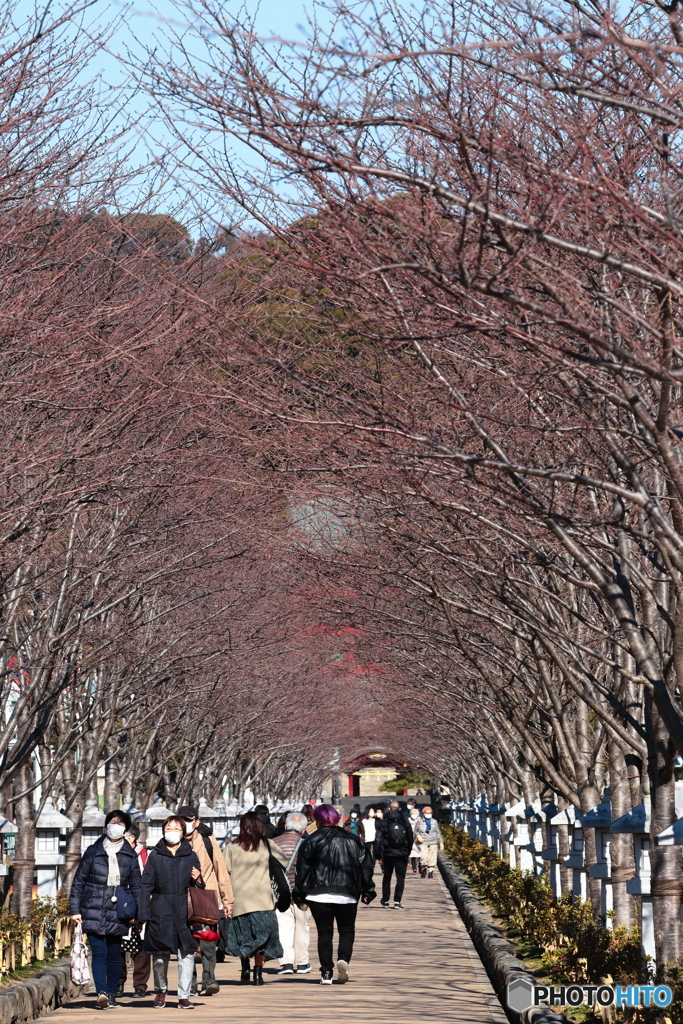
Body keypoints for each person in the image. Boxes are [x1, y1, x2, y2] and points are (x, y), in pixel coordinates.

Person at [294, 804, 376, 985]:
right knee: (346, 930)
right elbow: (366, 866)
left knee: (324, 933)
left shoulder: (310, 841)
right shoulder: (353, 840)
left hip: (317, 893)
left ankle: (326, 973)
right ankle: (344, 959)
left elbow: (302, 871)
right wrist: (368, 890)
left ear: (317, 820)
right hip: (347, 892)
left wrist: (299, 893)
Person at [70, 810, 141, 1010]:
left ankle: (111, 992)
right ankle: (101, 992)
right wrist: (75, 909)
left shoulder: (129, 855)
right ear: (106, 825)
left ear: (126, 828)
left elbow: (137, 887)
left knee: (114, 954)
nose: (115, 825)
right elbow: (79, 882)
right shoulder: (93, 851)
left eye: (119, 823)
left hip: (118, 911)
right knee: (99, 953)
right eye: (112, 822)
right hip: (92, 909)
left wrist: (135, 913)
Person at [138, 815, 205, 1009]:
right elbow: (145, 886)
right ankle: (160, 990)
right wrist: (143, 914)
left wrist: (199, 879)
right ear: (163, 830)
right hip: (160, 909)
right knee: (159, 956)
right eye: (169, 827)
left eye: (176, 828)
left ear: (183, 832)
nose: (172, 832)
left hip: (185, 911)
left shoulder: (190, 855)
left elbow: (199, 888)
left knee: (187, 955)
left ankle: (183, 995)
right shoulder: (155, 855)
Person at [223, 811, 289, 985]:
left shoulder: (231, 847)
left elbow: (224, 874)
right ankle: (258, 973)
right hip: (263, 900)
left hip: (240, 902)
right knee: (264, 937)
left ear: (242, 827)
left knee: (242, 937)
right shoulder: (267, 845)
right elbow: (284, 863)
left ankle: (245, 965)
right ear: (260, 826)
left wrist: (225, 900)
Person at [176, 804, 234, 997]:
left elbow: (221, 870)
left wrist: (228, 901)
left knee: (208, 941)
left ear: (197, 822)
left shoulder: (208, 842)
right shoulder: (171, 842)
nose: (185, 824)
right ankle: (190, 982)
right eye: (181, 819)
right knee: (187, 943)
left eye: (189, 820)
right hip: (181, 897)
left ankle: (209, 980)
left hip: (207, 896)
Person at [272, 812, 311, 975]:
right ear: (303, 829)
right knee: (303, 926)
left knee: (283, 927)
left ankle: (286, 963)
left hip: (280, 892)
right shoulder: (307, 843)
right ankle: (302, 963)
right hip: (302, 892)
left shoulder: (273, 843)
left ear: (285, 826)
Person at [119, 823, 151, 998]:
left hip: (142, 906)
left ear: (132, 838)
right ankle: (118, 982)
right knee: (118, 947)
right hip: (119, 906)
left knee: (141, 948)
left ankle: (140, 985)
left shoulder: (145, 856)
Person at [375, 800, 412, 910]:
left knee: (387, 877)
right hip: (402, 853)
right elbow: (410, 837)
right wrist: (408, 852)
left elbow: (378, 839)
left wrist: (378, 855)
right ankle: (397, 902)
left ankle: (385, 901)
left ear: (389, 809)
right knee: (400, 878)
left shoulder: (383, 822)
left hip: (388, 853)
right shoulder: (405, 821)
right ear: (400, 809)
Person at [414, 806, 444, 878]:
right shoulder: (420, 821)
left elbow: (437, 832)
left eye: (430, 813)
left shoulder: (434, 821)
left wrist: (441, 842)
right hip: (423, 842)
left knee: (432, 857)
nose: (428, 814)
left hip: (433, 842)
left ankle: (431, 871)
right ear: (423, 813)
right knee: (424, 857)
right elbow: (416, 831)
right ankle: (424, 869)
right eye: (427, 813)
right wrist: (418, 836)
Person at [408, 806, 422, 874]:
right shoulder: (408, 821)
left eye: (415, 813)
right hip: (411, 839)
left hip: (419, 839)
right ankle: (414, 869)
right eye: (412, 813)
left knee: (420, 855)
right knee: (412, 855)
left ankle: (420, 868)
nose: (414, 815)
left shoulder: (421, 821)